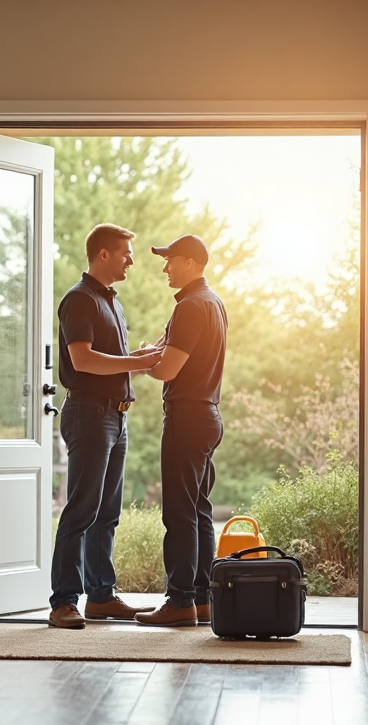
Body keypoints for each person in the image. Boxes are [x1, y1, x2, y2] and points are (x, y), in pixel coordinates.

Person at [48, 223, 164, 630]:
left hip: (116, 415)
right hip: (90, 415)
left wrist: (140, 356)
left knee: (106, 513)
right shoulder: (79, 300)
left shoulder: (111, 302)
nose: (131, 260)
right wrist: (139, 362)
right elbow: (83, 361)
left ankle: (100, 597)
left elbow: (108, 361)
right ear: (103, 255)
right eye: (125, 253)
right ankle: (63, 602)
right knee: (81, 510)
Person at [135, 234, 229, 627]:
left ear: (189, 262)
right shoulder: (214, 303)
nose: (165, 267)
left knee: (179, 513)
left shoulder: (191, 307)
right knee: (198, 510)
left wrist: (142, 363)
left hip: (186, 417)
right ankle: (203, 599)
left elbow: (168, 370)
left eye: (170, 260)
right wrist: (155, 354)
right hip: (207, 415)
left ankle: (178, 603)